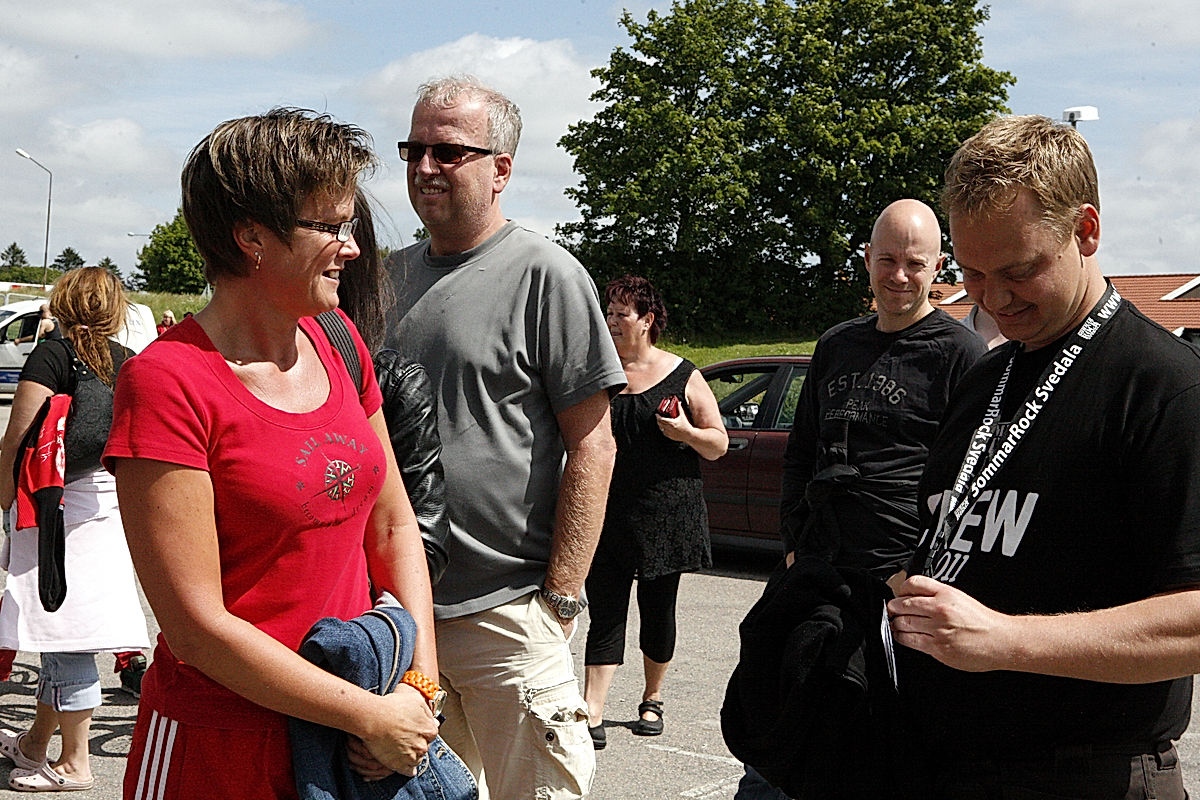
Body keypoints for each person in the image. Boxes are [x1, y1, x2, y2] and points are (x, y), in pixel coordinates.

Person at [104, 108, 439, 800]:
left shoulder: (338, 340)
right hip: (221, 747)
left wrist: (417, 687)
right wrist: (371, 715)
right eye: (331, 226)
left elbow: (393, 524)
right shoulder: (167, 381)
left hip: (351, 739)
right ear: (251, 235)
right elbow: (196, 627)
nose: (352, 247)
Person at [888, 114, 1200, 799]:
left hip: (1089, 775)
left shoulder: (1166, 386)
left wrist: (1004, 641)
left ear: (1085, 231)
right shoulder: (983, 381)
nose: (993, 299)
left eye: (1020, 270)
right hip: (948, 765)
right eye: (972, 273)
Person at [385, 75, 625, 799]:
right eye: (415, 149)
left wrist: (560, 598)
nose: (426, 167)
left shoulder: (546, 275)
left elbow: (593, 444)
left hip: (509, 613)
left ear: (501, 170)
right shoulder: (387, 279)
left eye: (448, 152)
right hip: (405, 615)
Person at [733, 199, 985, 800]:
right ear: (867, 259)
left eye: (915, 263)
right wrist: (793, 545)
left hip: (896, 590)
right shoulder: (836, 345)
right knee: (777, 736)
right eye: (887, 260)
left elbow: (972, 479)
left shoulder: (961, 355)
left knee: (876, 754)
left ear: (939, 267)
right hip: (816, 573)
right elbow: (802, 452)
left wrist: (920, 571)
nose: (899, 275)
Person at [0, 267, 150, 792]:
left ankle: (74, 763)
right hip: (108, 507)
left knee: (68, 638)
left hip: (55, 507)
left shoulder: (53, 355)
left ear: (62, 306)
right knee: (59, 630)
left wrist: (4, 498)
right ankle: (35, 743)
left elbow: (18, 435)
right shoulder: (127, 361)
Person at [583, 275, 727, 750]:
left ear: (646, 320)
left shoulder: (682, 374)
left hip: (667, 516)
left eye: (621, 313)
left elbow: (718, 444)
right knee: (605, 612)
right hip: (607, 513)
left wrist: (685, 432)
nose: (611, 321)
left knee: (657, 612)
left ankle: (652, 697)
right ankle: (593, 708)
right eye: (608, 312)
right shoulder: (598, 372)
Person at [338, 188, 451, 584]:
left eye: (341, 229)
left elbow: (423, 543)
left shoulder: (391, 381)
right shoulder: (205, 374)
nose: (343, 246)